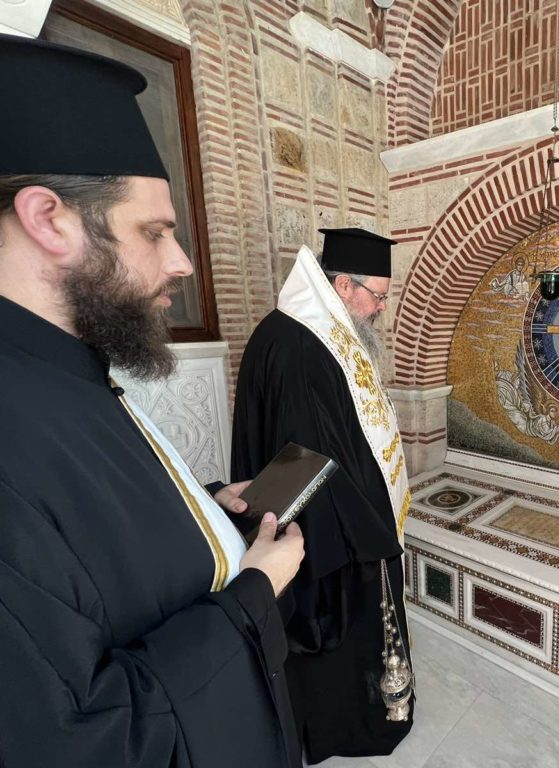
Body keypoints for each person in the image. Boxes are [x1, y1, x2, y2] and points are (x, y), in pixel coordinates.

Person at [0, 35, 305, 767]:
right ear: (49, 220)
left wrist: (203, 505)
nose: (182, 263)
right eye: (156, 231)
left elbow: (90, 548)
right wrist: (255, 591)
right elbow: (85, 738)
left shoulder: (67, 368)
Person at [232, 229, 415, 762]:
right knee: (339, 631)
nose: (381, 308)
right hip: (327, 530)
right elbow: (307, 456)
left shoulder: (328, 330)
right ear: (341, 284)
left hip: (349, 510)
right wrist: (371, 530)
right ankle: (343, 729)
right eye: (376, 295)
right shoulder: (297, 344)